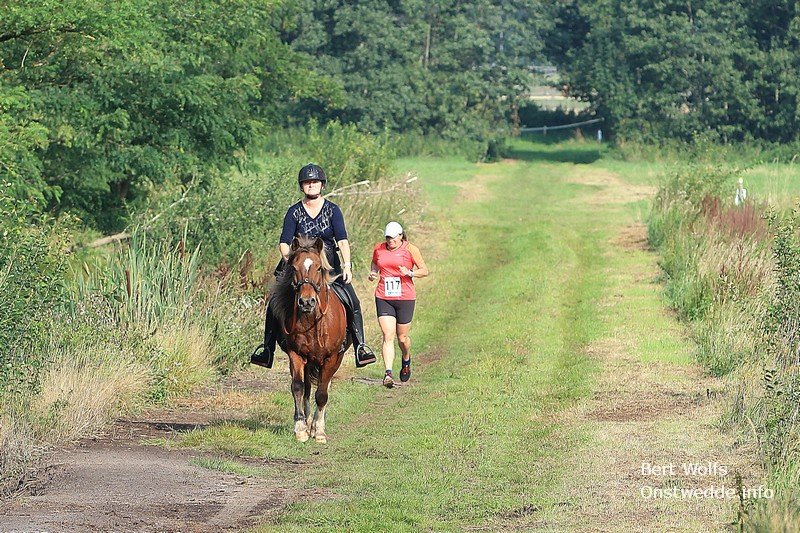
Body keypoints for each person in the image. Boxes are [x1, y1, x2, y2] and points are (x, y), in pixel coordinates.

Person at [251, 163, 377, 369]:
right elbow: (284, 242)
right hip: (298, 264)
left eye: (315, 182)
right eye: (307, 182)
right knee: (274, 302)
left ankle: (360, 346)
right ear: (302, 186)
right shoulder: (294, 212)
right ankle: (267, 349)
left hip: (328, 265)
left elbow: (342, 240)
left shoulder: (332, 210)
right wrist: (292, 261)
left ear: (322, 185)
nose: (311, 185)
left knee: (352, 300)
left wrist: (347, 265)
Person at [369, 221, 429, 387]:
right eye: (388, 238)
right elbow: (375, 262)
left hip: (405, 298)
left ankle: (406, 358)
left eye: (393, 238)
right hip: (384, 296)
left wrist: (410, 273)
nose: (390, 241)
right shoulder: (379, 248)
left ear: (401, 236)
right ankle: (388, 374)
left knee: (402, 338)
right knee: (388, 335)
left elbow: (424, 270)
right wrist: (373, 272)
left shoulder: (410, 249)